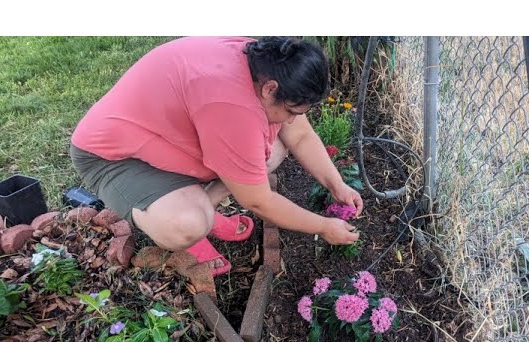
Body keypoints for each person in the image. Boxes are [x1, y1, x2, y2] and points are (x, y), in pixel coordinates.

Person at [70, 36, 362, 275]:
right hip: (114, 157)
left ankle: (201, 206)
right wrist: (324, 226)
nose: (290, 120)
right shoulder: (230, 104)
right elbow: (257, 200)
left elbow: (300, 135)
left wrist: (337, 185)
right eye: (291, 111)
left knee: (273, 150)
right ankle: (193, 220)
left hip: (166, 139)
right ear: (270, 89)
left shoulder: (266, 65)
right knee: (187, 224)